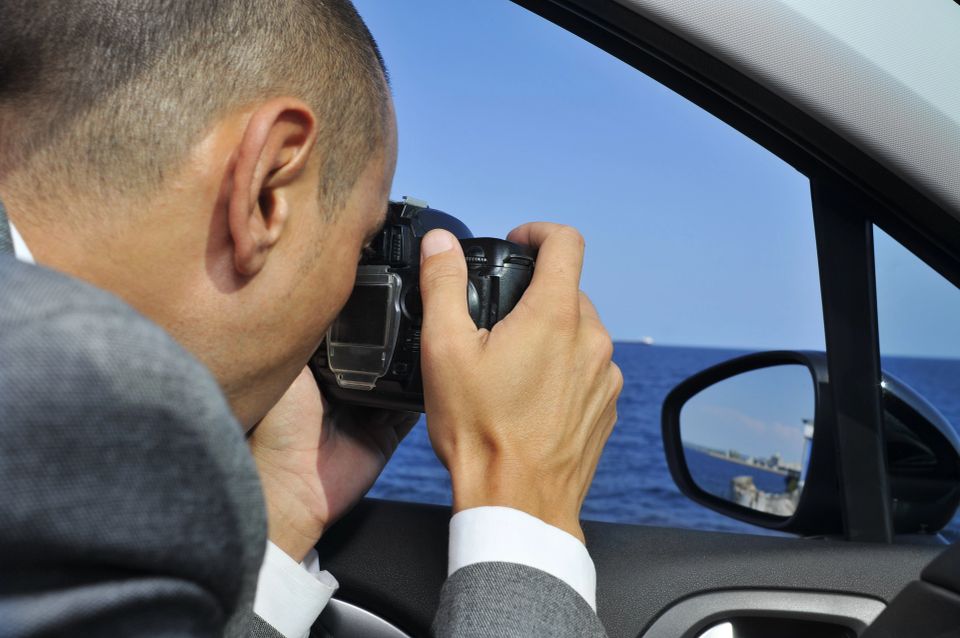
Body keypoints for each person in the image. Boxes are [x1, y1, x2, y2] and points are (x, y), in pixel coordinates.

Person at [0, 1, 621, 636]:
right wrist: (523, 507)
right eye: (360, 243)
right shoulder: (73, 420)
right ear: (268, 189)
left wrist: (284, 511)